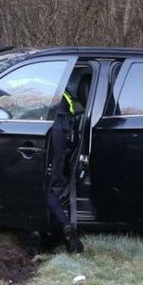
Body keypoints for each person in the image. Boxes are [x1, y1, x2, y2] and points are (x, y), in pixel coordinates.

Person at [43, 89, 84, 253]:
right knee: (54, 182)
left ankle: (64, 225)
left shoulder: (40, 84)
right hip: (63, 129)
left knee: (44, 187)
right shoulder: (65, 92)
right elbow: (77, 108)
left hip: (50, 129)